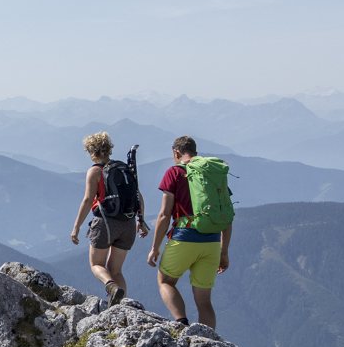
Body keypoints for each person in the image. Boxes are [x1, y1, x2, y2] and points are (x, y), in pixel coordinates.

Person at [146, 136, 234, 329]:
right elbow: (225, 214)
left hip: (184, 237)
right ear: (194, 152)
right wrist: (224, 251)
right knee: (204, 301)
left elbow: (164, 214)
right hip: (211, 242)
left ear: (176, 153)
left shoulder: (174, 172)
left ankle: (181, 324)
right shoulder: (212, 174)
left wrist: (154, 247)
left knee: (166, 281)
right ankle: (207, 341)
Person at [68, 132, 149, 304]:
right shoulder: (124, 169)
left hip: (105, 223)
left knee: (97, 265)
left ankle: (111, 287)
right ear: (109, 149)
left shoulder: (95, 171)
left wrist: (76, 227)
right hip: (128, 224)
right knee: (116, 270)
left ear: (91, 151)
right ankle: (121, 307)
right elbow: (138, 196)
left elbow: (88, 199)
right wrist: (141, 221)